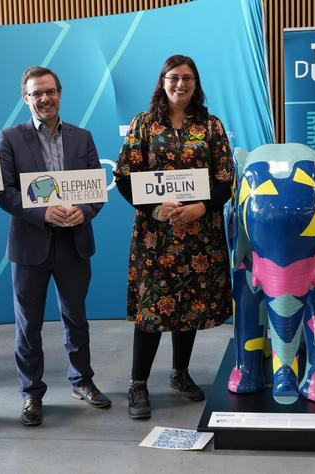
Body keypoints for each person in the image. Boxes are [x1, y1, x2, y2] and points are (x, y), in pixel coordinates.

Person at [114, 54, 233, 420]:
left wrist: (201, 207)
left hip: (199, 234)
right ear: (162, 81)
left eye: (187, 78)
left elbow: (225, 180)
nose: (181, 84)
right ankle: (138, 383)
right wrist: (154, 208)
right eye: (174, 77)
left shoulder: (211, 126)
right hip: (156, 237)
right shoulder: (144, 125)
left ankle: (180, 373)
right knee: (151, 309)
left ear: (196, 84)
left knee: (189, 305)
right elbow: (124, 177)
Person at [0, 66, 110, 427]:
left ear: (60, 93)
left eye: (50, 91)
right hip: (31, 245)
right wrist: (43, 213)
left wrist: (83, 212)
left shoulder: (82, 137)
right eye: (36, 93)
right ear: (25, 98)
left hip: (74, 242)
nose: (44, 99)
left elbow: (95, 188)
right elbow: (4, 191)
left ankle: (82, 381)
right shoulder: (10, 138)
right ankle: (31, 392)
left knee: (76, 317)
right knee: (28, 325)